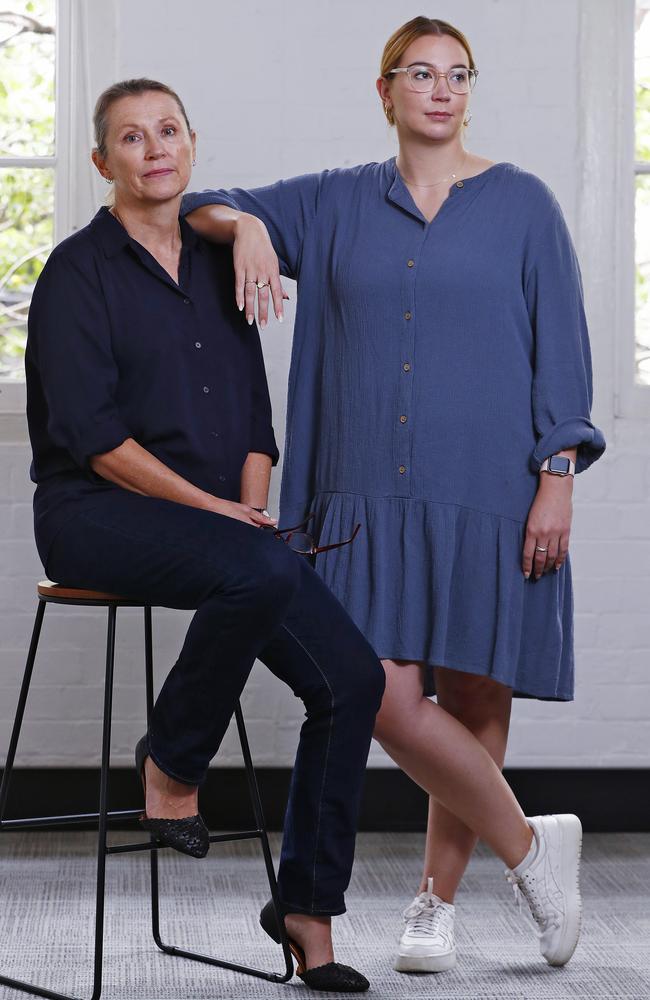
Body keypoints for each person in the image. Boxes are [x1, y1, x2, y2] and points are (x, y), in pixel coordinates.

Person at [182, 15, 605, 974]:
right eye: (421, 72)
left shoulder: (525, 204)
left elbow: (562, 355)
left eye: (459, 73)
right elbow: (201, 203)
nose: (443, 89)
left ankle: (434, 904)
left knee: (474, 688)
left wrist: (557, 480)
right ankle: (534, 849)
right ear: (386, 91)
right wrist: (249, 223)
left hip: (490, 491)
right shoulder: (331, 201)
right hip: (363, 497)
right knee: (378, 689)